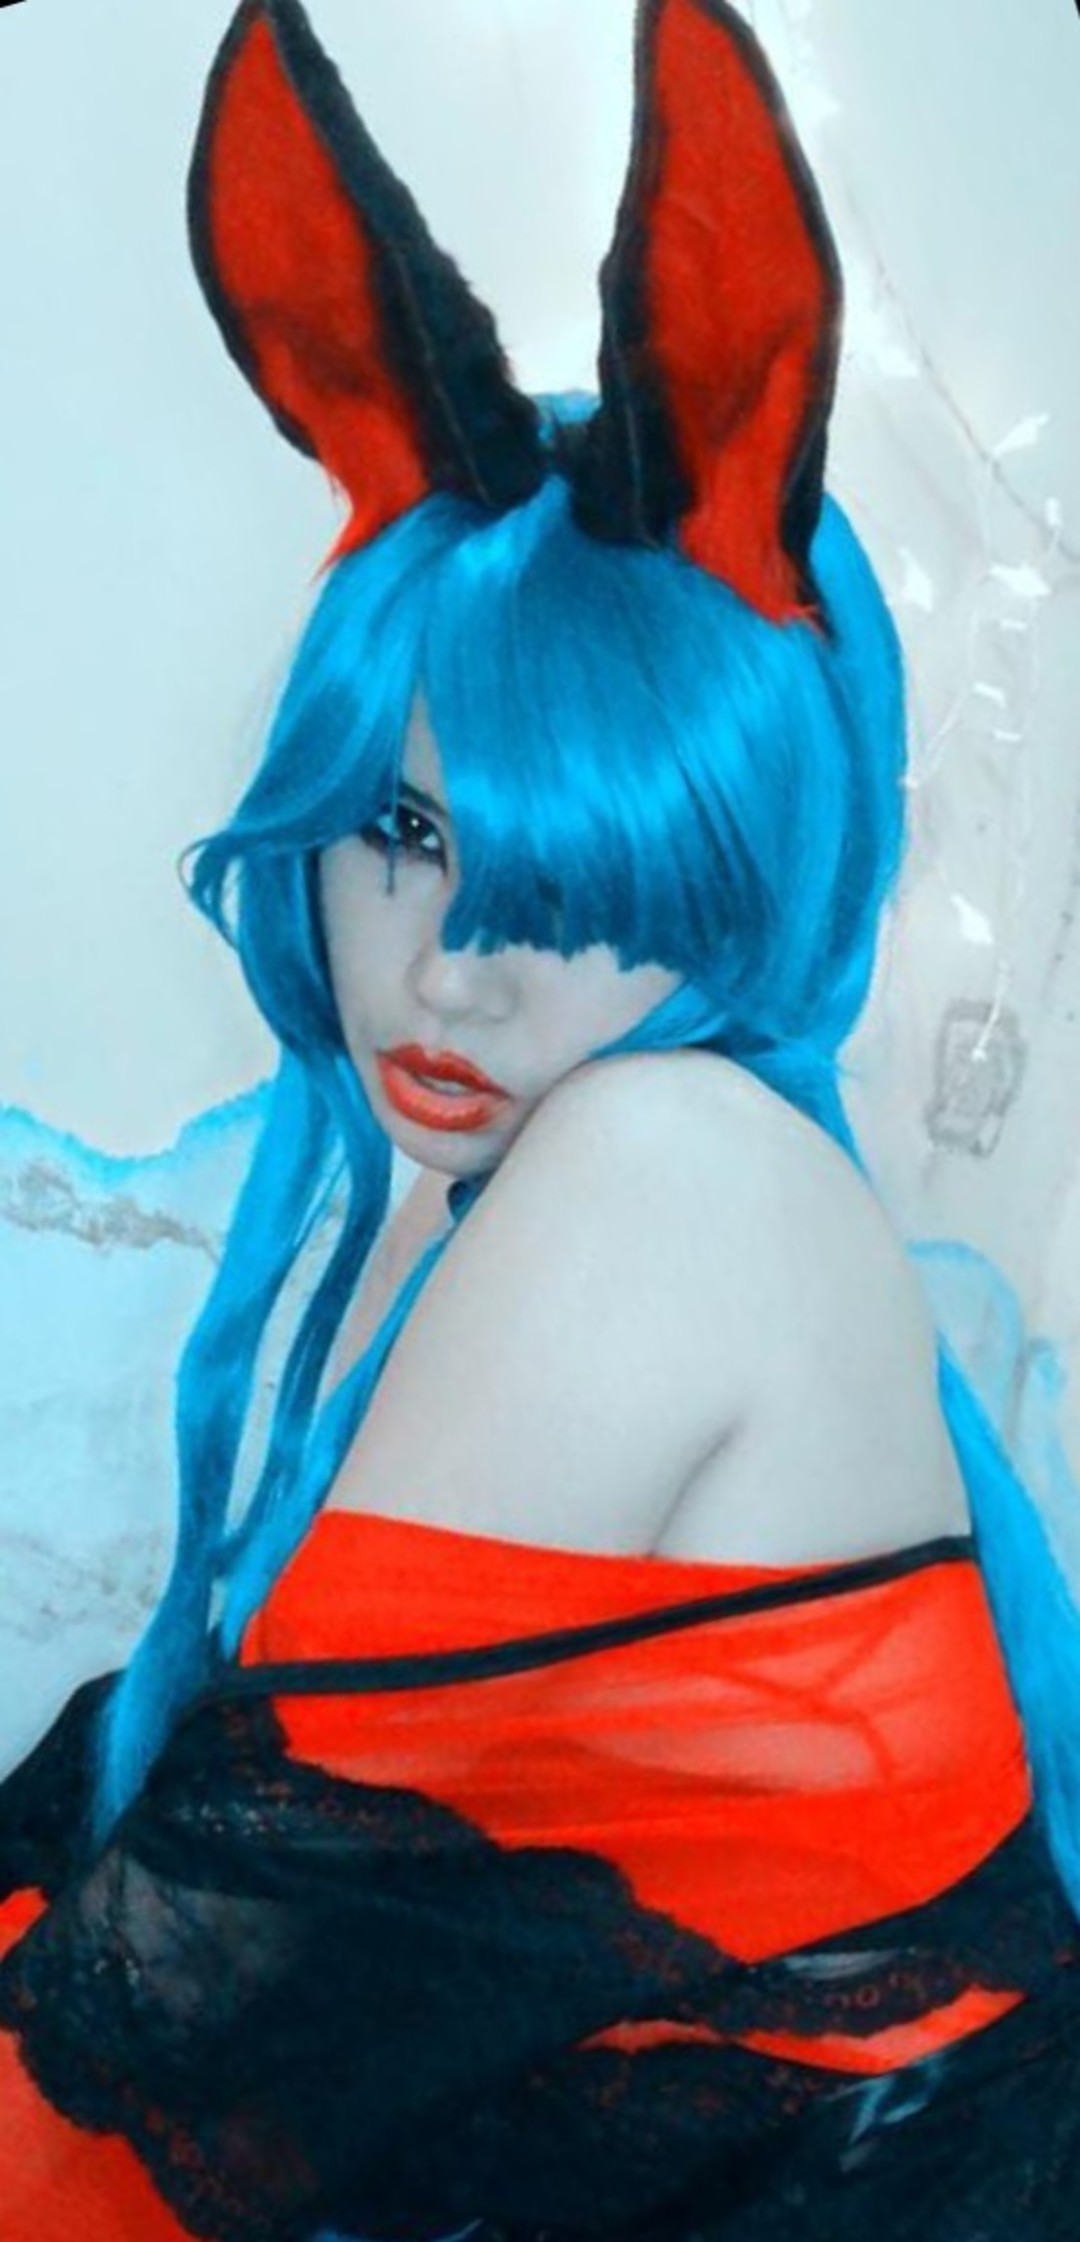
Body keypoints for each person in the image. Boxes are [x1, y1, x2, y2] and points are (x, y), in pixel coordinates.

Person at [2, 1, 1080, 2236]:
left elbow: (183, 2020)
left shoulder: (663, 1171)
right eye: (402, 830)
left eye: (580, 880)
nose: (453, 969)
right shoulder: (601, 1173)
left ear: (746, 879)